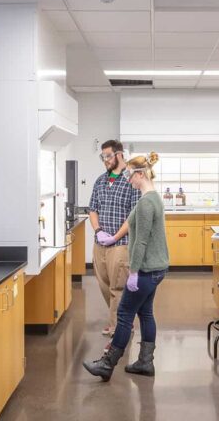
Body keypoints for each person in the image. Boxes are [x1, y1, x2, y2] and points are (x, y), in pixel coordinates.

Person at [84, 152, 169, 381]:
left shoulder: (146, 203)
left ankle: (107, 364)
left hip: (146, 270)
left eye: (130, 175)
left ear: (140, 174)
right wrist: (110, 237)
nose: (128, 180)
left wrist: (133, 272)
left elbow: (140, 241)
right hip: (157, 269)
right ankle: (145, 362)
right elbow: (132, 219)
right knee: (146, 312)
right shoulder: (152, 198)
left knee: (123, 314)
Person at [89, 140, 141, 337]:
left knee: (118, 287)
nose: (105, 160)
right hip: (99, 244)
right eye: (102, 157)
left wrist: (115, 237)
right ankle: (120, 321)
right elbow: (92, 209)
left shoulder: (131, 180)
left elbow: (133, 215)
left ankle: (119, 328)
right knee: (104, 285)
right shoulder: (100, 181)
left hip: (120, 244)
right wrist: (98, 231)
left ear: (119, 154)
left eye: (108, 156)